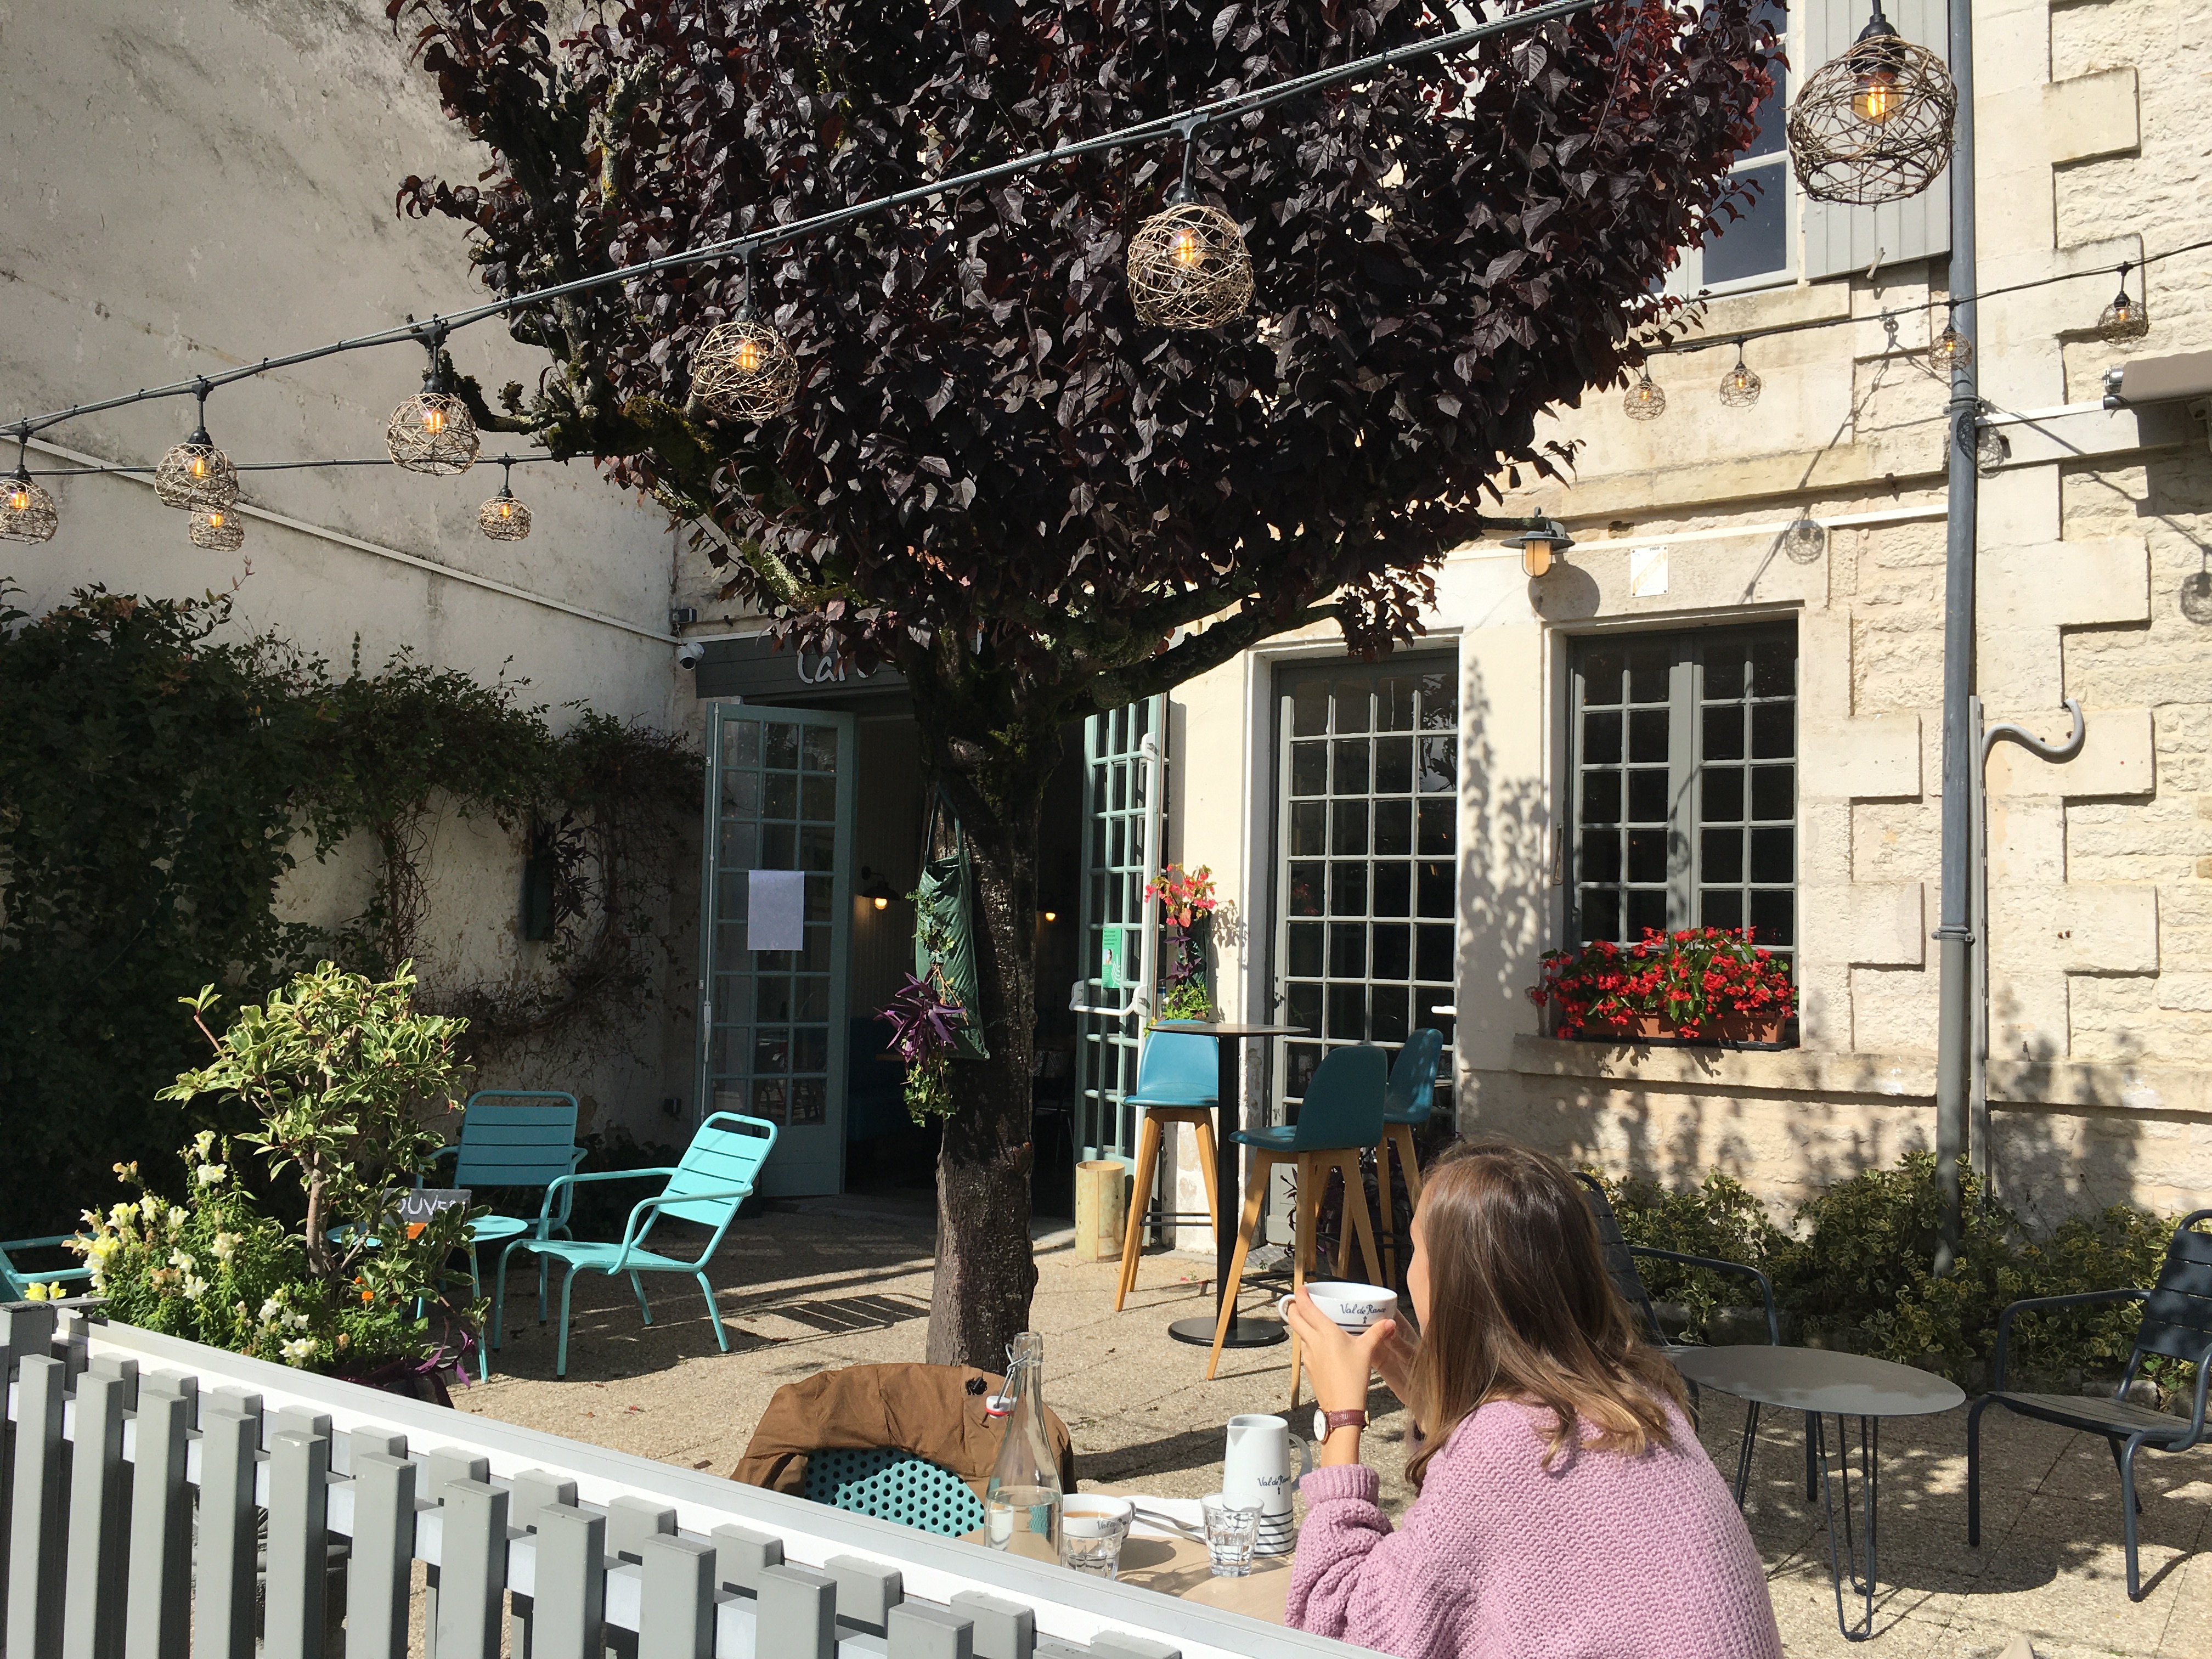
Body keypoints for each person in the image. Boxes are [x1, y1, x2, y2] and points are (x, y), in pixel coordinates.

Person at [1282, 1140, 1782, 1659]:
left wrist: (1341, 1417)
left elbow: (1340, 1630)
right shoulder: (1643, 1399)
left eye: (1417, 1250)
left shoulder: (1502, 1447)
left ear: (1453, 1286)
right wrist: (1431, 1396)